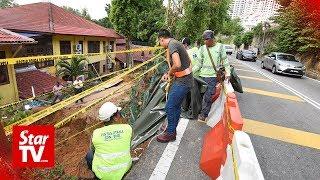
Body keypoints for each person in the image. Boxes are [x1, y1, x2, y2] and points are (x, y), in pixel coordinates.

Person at [157, 29, 193, 143]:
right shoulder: (175, 43)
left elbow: (177, 64)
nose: (160, 44)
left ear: (161, 39)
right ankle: (172, 128)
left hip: (183, 81)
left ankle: (171, 133)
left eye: (159, 42)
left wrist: (169, 73)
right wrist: (170, 73)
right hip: (184, 79)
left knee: (170, 106)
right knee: (176, 106)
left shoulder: (172, 45)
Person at [85, 102, 132, 180]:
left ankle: (96, 177)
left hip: (103, 175)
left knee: (89, 155)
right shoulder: (128, 128)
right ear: (116, 117)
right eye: (118, 113)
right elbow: (128, 146)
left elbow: (94, 151)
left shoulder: (96, 133)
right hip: (124, 169)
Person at [193, 30, 231, 122]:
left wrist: (228, 73)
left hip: (213, 77)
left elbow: (225, 61)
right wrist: (191, 72)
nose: (206, 41)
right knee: (199, 95)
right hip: (201, 76)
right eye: (204, 40)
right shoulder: (202, 48)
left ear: (213, 38)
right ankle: (198, 110)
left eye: (208, 39)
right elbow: (198, 64)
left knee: (208, 96)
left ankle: (203, 115)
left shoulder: (220, 47)